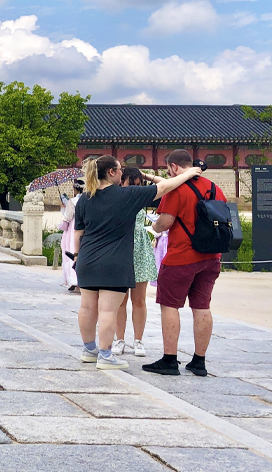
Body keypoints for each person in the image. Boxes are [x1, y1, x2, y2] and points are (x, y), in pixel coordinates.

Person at [71, 155, 204, 370]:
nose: (123, 172)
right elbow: (165, 187)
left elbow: (78, 232)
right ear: (112, 173)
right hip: (114, 262)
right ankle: (105, 355)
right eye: (120, 169)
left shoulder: (86, 197)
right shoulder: (126, 195)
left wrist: (77, 257)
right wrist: (188, 173)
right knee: (107, 311)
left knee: (87, 306)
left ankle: (89, 350)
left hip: (87, 259)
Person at [144, 150, 223, 377]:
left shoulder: (176, 189)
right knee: (202, 307)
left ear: (175, 167)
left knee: (170, 305)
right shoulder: (214, 187)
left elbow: (166, 222)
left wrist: (155, 227)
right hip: (211, 256)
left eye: (169, 169)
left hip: (182, 256)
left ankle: (169, 360)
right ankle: (199, 361)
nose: (169, 173)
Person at [112, 167, 160, 357]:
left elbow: (164, 186)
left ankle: (138, 340)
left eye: (138, 184)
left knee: (139, 299)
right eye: (130, 183)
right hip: (121, 246)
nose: (134, 188)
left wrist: (146, 175)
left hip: (140, 248)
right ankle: (119, 339)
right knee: (119, 300)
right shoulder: (115, 196)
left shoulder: (142, 197)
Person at [59, 178, 84, 293]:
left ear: (74, 189)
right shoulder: (85, 199)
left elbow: (68, 216)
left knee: (71, 250)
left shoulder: (72, 201)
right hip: (83, 226)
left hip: (73, 227)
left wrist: (63, 207)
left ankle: (73, 279)